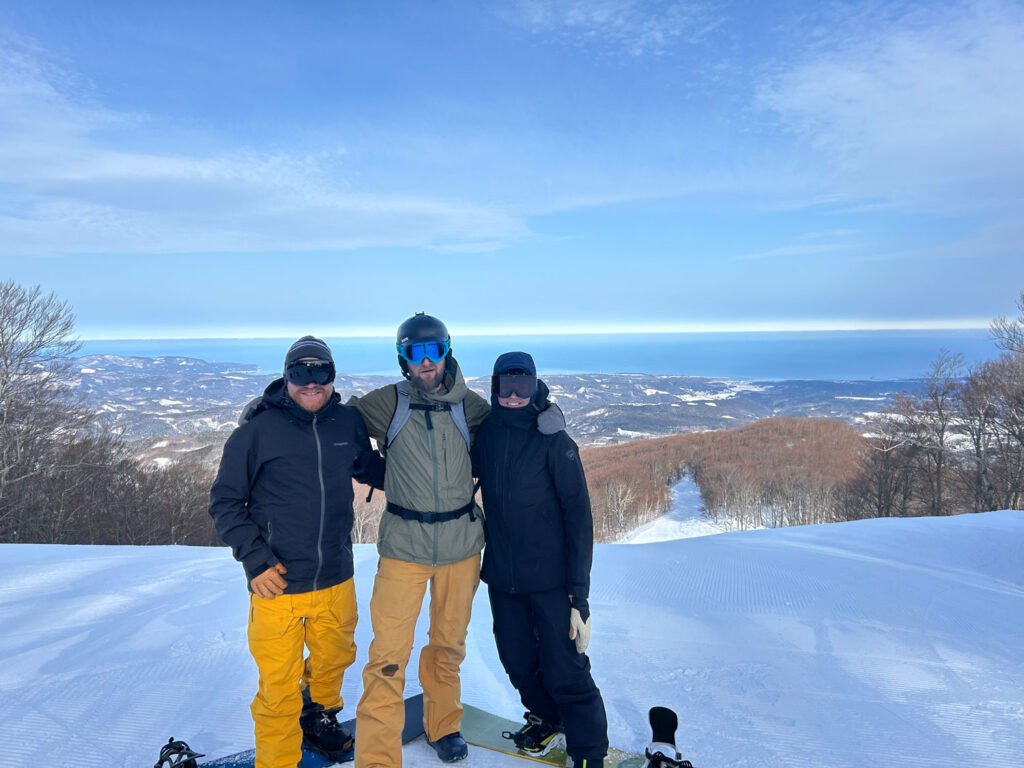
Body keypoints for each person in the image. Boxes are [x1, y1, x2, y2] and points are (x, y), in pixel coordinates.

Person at [209, 336, 384, 768]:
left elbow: (371, 469)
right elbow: (225, 503)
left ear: (332, 375)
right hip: (278, 583)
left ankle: (317, 714)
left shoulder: (347, 424)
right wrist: (255, 561)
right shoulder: (256, 432)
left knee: (335, 662)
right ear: (286, 377)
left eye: (320, 372)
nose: (311, 383)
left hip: (335, 575)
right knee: (278, 688)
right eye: (300, 373)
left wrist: (436, 475)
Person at [348, 312, 491, 768]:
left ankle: (444, 725)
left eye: (434, 351)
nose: (426, 362)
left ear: (448, 351)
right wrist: (276, 408)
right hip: (404, 548)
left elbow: (515, 445)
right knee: (388, 657)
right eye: (415, 352)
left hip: (461, 547)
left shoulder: (470, 407)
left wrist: (541, 413)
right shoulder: (389, 403)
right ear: (403, 358)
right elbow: (336, 423)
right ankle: (377, 759)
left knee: (448, 647)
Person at [471, 351, 609, 768]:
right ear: (494, 388)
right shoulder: (488, 433)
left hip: (551, 582)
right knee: (516, 660)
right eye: (506, 387)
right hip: (503, 578)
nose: (514, 396)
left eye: (523, 387)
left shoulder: (554, 441)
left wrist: (578, 598)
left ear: (535, 386)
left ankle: (588, 751)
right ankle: (549, 719)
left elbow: (579, 520)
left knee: (564, 666)